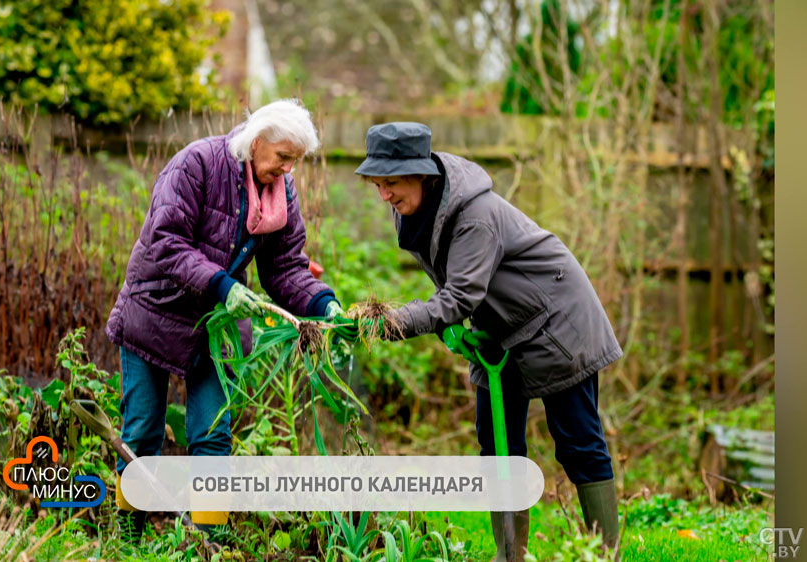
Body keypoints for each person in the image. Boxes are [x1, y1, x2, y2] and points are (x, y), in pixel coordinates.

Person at [351, 122, 623, 559]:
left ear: (423, 174)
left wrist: (395, 320)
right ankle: (509, 554)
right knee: (496, 444)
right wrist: (449, 325)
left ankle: (607, 553)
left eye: (392, 183)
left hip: (558, 321)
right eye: (378, 185)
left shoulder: (475, 215)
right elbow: (455, 288)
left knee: (577, 440)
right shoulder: (415, 209)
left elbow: (458, 294)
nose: (385, 195)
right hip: (499, 328)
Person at [105, 99, 345, 539]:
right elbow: (166, 239)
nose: (288, 170)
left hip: (216, 327)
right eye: (283, 158)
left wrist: (323, 304)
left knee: (212, 435)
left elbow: (286, 268)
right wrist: (222, 285)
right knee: (141, 432)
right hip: (155, 311)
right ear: (257, 143)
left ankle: (207, 541)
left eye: (295, 161)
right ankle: (129, 536)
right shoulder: (196, 164)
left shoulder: (279, 192)